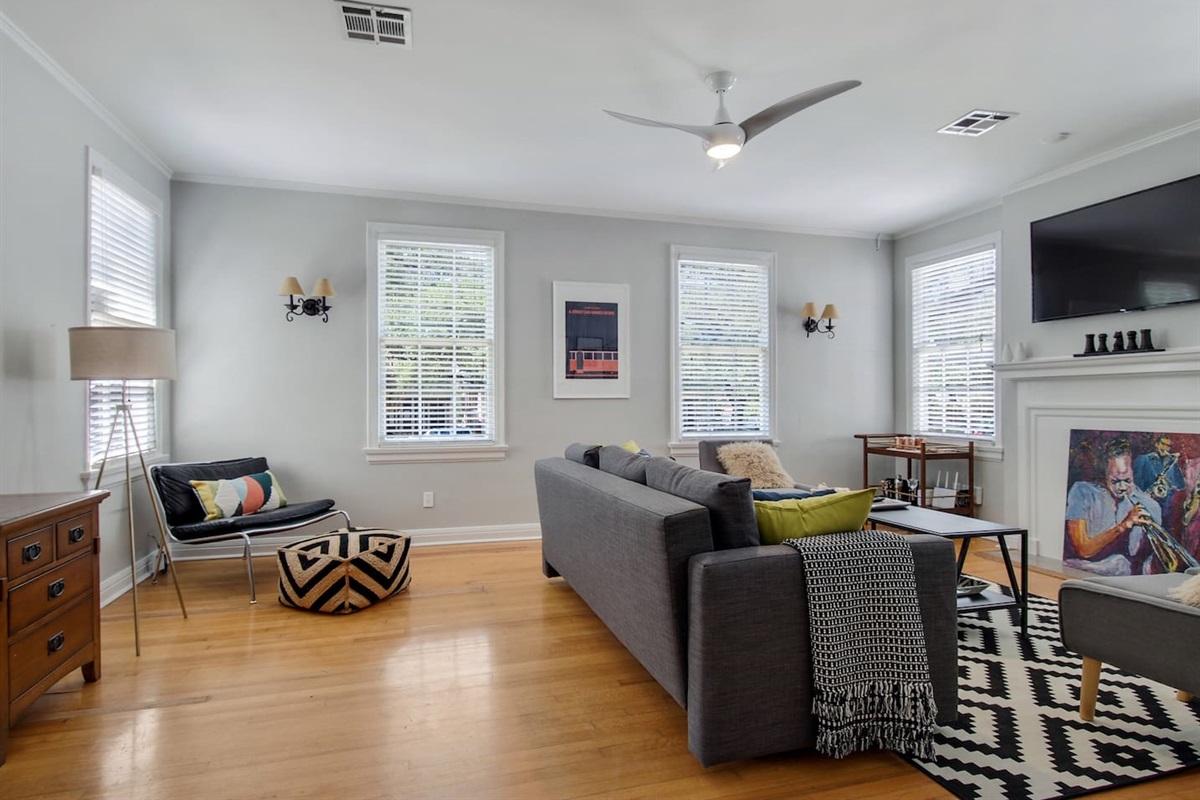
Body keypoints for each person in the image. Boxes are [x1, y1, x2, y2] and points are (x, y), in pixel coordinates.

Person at [1064, 437, 1162, 575]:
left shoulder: (1149, 504)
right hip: (1086, 572)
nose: (1122, 487)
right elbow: (1083, 550)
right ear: (1104, 472)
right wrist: (1123, 526)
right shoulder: (1082, 492)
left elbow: (1148, 561)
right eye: (1115, 481)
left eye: (1127, 480)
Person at [1133, 434, 1186, 527]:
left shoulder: (1172, 463)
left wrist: (1167, 483)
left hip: (1167, 510)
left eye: (1168, 446)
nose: (1165, 448)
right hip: (1148, 505)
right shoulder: (1144, 459)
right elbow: (1136, 485)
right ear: (1157, 444)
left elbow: (1181, 485)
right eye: (1163, 444)